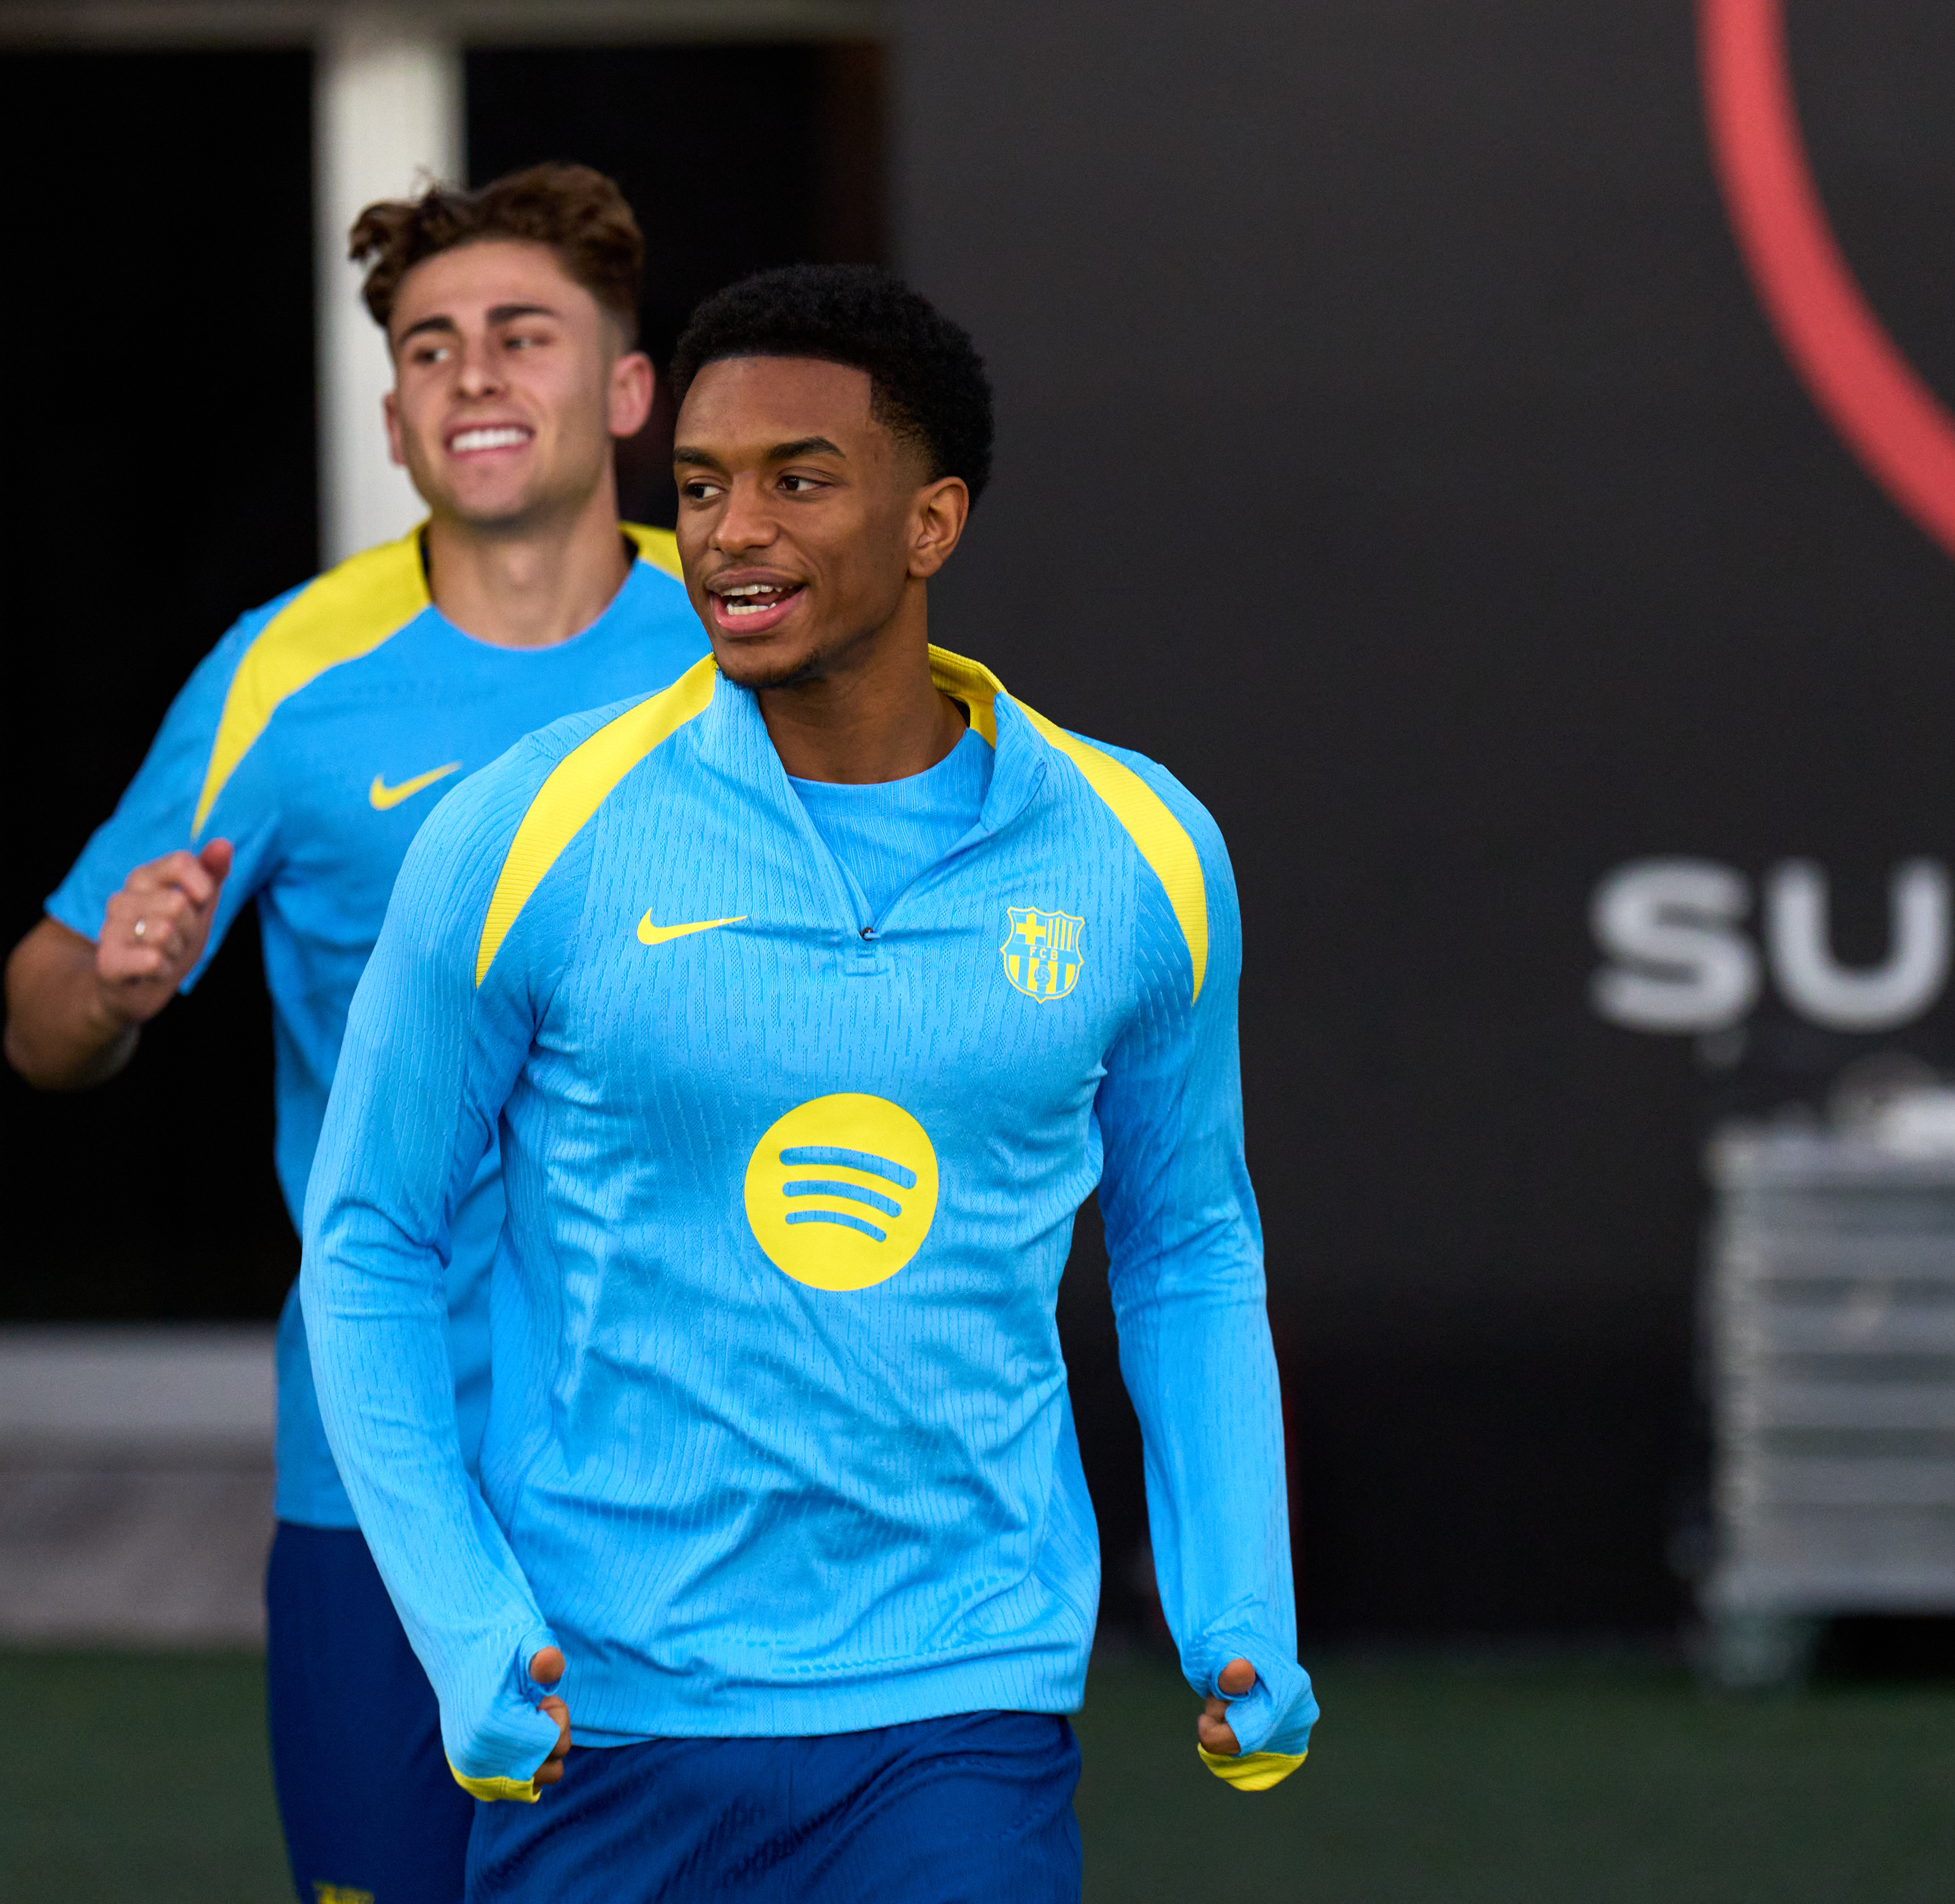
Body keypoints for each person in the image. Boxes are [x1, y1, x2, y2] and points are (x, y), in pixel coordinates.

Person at [302, 264, 1317, 1900]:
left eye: (797, 479)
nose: (728, 531)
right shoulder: (523, 834)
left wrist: (1234, 1602)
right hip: (601, 1717)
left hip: (959, 1711)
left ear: (932, 523)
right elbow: (368, 1241)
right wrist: (470, 1623)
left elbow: (1186, 1243)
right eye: (699, 485)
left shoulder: (1140, 852)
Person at [0, 164, 709, 1904]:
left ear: (625, 391)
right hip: (386, 1471)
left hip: (707, 1468)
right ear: (393, 420)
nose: (472, 373)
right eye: (428, 347)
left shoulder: (755, 634)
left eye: (521, 335)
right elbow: (40, 1015)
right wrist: (111, 983)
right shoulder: (288, 674)